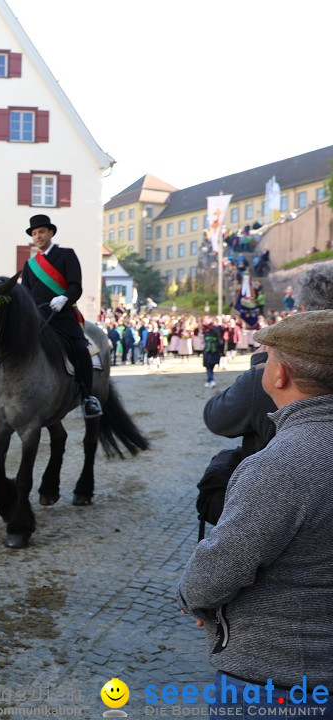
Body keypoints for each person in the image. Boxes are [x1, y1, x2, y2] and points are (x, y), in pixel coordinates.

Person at [178, 310, 333, 713]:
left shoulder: (279, 464)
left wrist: (197, 600)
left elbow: (215, 573)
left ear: (279, 376)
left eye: (267, 357)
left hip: (278, 679)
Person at [204, 262, 333, 458]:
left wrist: (261, 366)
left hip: (282, 473)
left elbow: (217, 417)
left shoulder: (283, 369)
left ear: (301, 309)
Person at [20, 214, 101, 418]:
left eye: (41, 232)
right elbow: (26, 294)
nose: (37, 236)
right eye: (34, 233)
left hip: (63, 315)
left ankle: (87, 397)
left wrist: (64, 298)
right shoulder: (30, 265)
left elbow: (76, 286)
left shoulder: (66, 255)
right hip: (38, 318)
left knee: (81, 349)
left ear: (51, 233)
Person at [201, 320, 224, 388]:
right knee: (211, 368)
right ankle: (210, 380)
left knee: (208, 368)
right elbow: (221, 346)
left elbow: (204, 344)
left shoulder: (206, 336)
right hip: (215, 354)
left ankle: (210, 380)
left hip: (207, 354)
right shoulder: (218, 338)